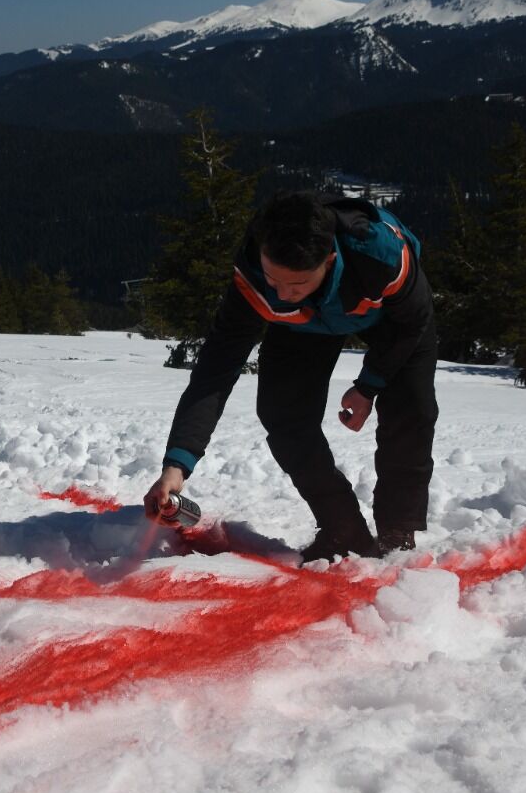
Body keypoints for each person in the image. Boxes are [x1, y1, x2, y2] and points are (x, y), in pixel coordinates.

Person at [143, 191, 438, 562]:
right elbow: (215, 370)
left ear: (328, 261)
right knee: (284, 415)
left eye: (296, 285)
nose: (281, 292)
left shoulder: (381, 256)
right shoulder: (254, 274)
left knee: (412, 409)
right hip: (305, 325)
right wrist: (177, 464)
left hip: (393, 321)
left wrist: (369, 386)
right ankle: (341, 527)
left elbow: (412, 322)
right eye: (274, 279)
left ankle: (398, 531)